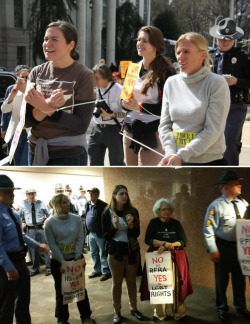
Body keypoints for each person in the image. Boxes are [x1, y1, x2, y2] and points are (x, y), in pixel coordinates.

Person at [25, 20, 96, 166]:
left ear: (71, 45)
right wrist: (47, 106)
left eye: (54, 40)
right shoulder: (36, 73)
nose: (47, 44)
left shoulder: (84, 75)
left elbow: (81, 125)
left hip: (69, 154)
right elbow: (27, 121)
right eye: (46, 39)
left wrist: (46, 108)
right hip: (35, 150)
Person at [159, 32, 231, 166]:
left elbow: (213, 130)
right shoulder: (171, 83)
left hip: (207, 162)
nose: (180, 57)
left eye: (186, 52)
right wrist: (170, 153)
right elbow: (165, 125)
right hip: (175, 160)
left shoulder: (216, 83)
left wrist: (182, 155)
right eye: (178, 52)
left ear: (203, 54)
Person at [122, 25, 176, 166]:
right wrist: (126, 104)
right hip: (131, 130)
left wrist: (139, 107)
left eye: (145, 41)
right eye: (138, 40)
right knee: (130, 173)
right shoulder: (132, 68)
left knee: (148, 172)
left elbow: (169, 109)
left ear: (156, 44)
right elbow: (124, 99)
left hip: (154, 133)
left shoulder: (167, 71)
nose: (140, 43)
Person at [0, 174, 49, 324]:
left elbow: (21, 236)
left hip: (20, 262)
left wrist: (37, 245)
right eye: (8, 191)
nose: (12, 194)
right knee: (6, 305)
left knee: (23, 301)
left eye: (12, 191)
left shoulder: (13, 212)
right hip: (6, 265)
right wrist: (9, 268)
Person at [203, 170, 250, 321]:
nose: (240, 186)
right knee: (221, 281)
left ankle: (241, 307)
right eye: (237, 184)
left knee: (240, 280)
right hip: (223, 248)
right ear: (227, 187)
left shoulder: (243, 203)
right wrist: (213, 249)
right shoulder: (215, 206)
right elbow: (208, 229)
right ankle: (222, 308)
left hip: (240, 248)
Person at [44, 193, 95, 324]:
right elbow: (52, 245)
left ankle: (85, 316)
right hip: (58, 261)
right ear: (57, 205)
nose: (69, 204)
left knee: (78, 287)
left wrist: (77, 257)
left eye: (68, 202)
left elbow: (80, 238)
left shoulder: (76, 219)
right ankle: (62, 318)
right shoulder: (49, 222)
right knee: (61, 289)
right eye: (65, 202)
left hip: (76, 258)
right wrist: (62, 262)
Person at [140, 198, 192, 321]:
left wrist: (171, 245)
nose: (167, 212)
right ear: (158, 211)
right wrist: (163, 243)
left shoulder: (176, 223)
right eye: (163, 209)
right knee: (160, 285)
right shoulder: (153, 222)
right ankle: (160, 313)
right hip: (158, 257)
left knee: (177, 284)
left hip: (176, 257)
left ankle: (178, 312)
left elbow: (183, 241)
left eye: (169, 209)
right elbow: (148, 239)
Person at [209, 18, 250, 166]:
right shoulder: (210, 56)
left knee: (229, 143)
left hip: (235, 105)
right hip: (213, 105)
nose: (224, 42)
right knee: (211, 143)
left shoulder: (244, 58)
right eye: (221, 39)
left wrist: (237, 81)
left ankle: (230, 174)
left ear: (234, 39)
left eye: (228, 39)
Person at [101, 184, 144, 324]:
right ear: (114, 195)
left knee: (131, 282)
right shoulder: (107, 213)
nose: (124, 196)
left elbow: (136, 234)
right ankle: (117, 311)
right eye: (121, 194)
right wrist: (114, 228)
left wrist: (131, 226)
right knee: (117, 283)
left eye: (126, 193)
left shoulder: (133, 211)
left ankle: (134, 308)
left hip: (131, 250)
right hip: (115, 252)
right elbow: (106, 236)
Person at [88, 63, 124, 166]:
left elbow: (126, 115)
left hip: (114, 130)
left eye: (97, 78)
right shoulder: (94, 89)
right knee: (94, 162)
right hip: (96, 129)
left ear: (105, 77)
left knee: (116, 163)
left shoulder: (120, 90)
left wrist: (110, 115)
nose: (94, 81)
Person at [1, 67, 31, 165]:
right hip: (16, 133)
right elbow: (4, 110)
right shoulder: (12, 89)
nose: (25, 79)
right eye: (23, 77)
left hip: (29, 134)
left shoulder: (33, 90)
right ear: (18, 78)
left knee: (24, 163)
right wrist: (12, 95)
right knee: (16, 163)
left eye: (28, 77)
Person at [19, 188, 51, 276]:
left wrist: (46, 222)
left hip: (41, 229)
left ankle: (48, 268)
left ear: (35, 194)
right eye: (29, 194)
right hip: (30, 230)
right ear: (26, 195)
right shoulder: (23, 205)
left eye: (33, 193)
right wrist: (22, 223)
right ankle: (35, 269)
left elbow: (49, 215)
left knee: (45, 249)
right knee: (33, 250)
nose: (31, 195)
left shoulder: (41, 203)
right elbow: (19, 217)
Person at [84, 187, 111, 281]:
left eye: (93, 194)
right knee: (93, 252)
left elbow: (107, 220)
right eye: (90, 194)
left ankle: (106, 271)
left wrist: (105, 232)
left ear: (97, 195)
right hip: (91, 233)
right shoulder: (87, 204)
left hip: (100, 234)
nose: (91, 196)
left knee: (103, 253)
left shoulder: (103, 205)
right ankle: (97, 270)